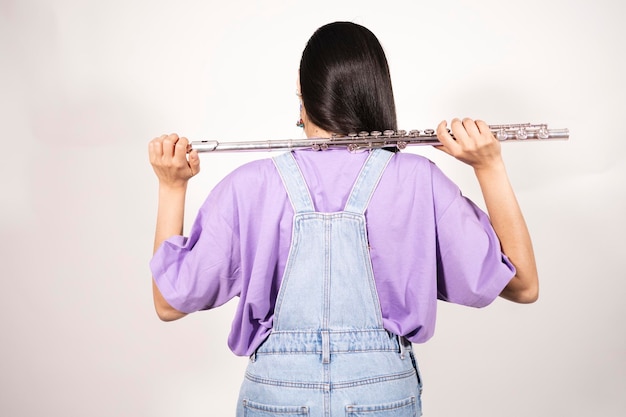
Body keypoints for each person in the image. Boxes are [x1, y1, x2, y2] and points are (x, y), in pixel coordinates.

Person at [148, 21, 538, 417]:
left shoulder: (247, 187)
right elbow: (523, 285)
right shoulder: (419, 181)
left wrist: (171, 186)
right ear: (375, 92)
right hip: (382, 395)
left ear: (305, 101)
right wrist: (489, 166)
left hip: (276, 396)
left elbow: (168, 303)